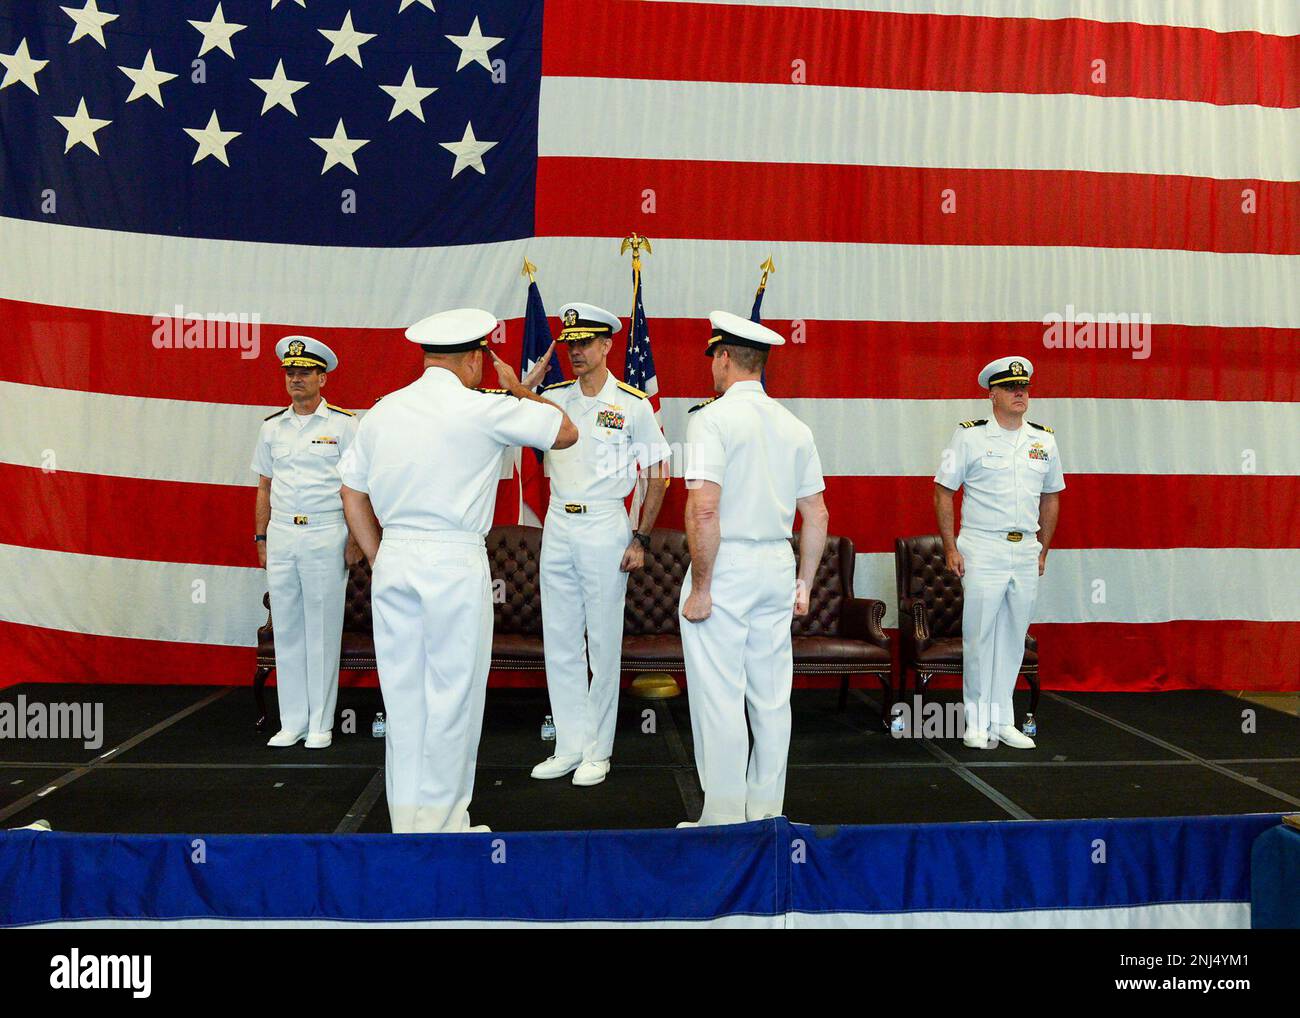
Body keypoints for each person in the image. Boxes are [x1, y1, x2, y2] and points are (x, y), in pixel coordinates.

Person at [338, 309, 577, 833]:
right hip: (452, 559)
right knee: (454, 694)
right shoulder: (482, 408)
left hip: (395, 558)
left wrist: (378, 557)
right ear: (473, 360)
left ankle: (407, 823)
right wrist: (518, 391)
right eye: (483, 363)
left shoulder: (382, 412)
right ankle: (443, 827)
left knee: (403, 697)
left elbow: (351, 492)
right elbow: (565, 431)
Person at [677, 311, 829, 827]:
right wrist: (804, 583)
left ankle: (722, 818)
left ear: (722, 359)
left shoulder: (710, 419)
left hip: (728, 564)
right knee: (770, 695)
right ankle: (766, 814)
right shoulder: (794, 424)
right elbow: (817, 514)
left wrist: (701, 587)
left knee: (719, 695)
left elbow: (702, 509)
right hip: (777, 564)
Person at [530, 302, 671, 787]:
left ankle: (598, 749)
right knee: (561, 641)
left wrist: (642, 536)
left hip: (605, 524)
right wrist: (527, 381)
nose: (576, 352)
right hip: (558, 522)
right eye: (570, 344)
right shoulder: (553, 397)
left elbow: (658, 472)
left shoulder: (631, 403)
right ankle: (568, 745)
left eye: (586, 343)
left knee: (602, 643)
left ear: (608, 344)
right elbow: (508, 411)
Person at [933, 356, 1065, 750]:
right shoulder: (968, 436)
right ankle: (975, 721)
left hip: (1025, 546)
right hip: (983, 545)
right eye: (1010, 387)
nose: (1020, 393)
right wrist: (950, 545)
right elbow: (943, 490)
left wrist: (1043, 550)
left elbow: (1052, 496)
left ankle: (1003, 719)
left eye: (1023, 386)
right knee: (979, 634)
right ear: (992, 394)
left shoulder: (1044, 439)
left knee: (1013, 637)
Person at [252, 336, 361, 750]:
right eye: (290, 372)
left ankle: (321, 722)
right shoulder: (271, 427)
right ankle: (292, 720)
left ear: (323, 378)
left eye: (304, 372)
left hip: (325, 531)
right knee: (289, 628)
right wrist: (261, 537)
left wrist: (354, 536)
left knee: (321, 628)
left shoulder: (344, 426)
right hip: (282, 533)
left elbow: (357, 487)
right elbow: (264, 487)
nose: (295, 379)